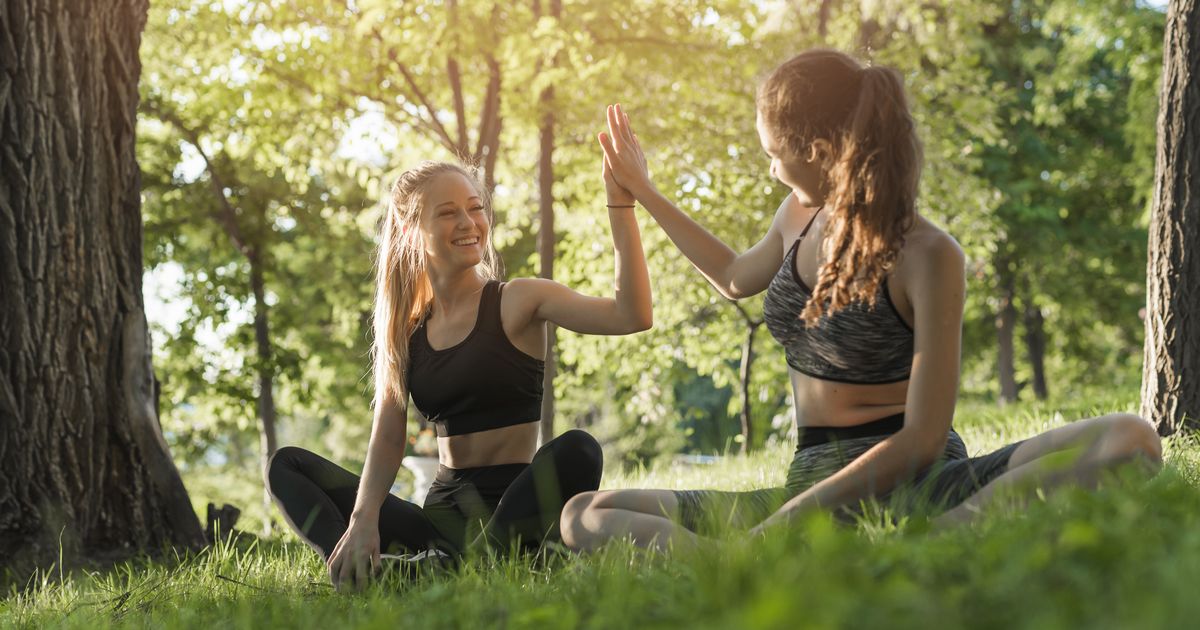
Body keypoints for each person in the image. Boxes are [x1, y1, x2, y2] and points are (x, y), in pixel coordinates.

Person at [560, 49, 1163, 552]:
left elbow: (922, 440)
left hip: (919, 482)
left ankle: (905, 544)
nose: (772, 170)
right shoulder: (800, 213)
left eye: (776, 155)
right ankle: (748, 561)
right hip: (809, 482)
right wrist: (641, 191)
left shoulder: (929, 254)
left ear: (819, 151)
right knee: (584, 512)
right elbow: (735, 277)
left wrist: (782, 525)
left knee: (1130, 438)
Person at [267, 153, 652, 590]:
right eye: (449, 213)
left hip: (519, 506)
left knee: (579, 448)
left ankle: (442, 571)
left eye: (475, 208)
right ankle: (361, 570)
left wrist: (622, 205)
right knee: (287, 465)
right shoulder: (406, 330)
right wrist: (362, 520)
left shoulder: (519, 300)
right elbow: (389, 436)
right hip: (442, 519)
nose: (469, 222)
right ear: (413, 230)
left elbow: (631, 315)